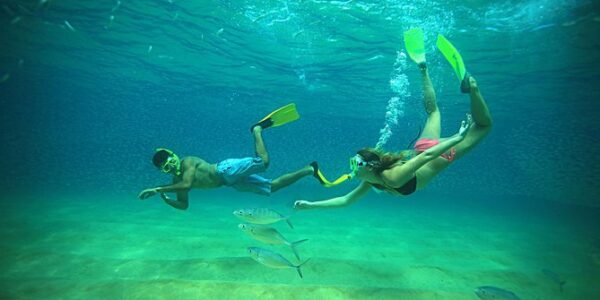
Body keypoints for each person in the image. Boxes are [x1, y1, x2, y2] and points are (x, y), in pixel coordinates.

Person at [294, 30, 492, 210]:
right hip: (424, 147)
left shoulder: (391, 177)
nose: (351, 169)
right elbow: (346, 200)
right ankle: (423, 68)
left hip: (439, 153)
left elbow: (427, 157)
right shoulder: (373, 179)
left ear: (370, 167)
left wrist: (456, 139)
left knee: (483, 126)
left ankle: (472, 88)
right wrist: (311, 205)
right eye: (353, 164)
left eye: (354, 164)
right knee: (433, 112)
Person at [138, 104, 316, 210]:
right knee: (271, 188)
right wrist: (166, 199)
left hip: (225, 169)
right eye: (167, 168)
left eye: (172, 162)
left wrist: (157, 189)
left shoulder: (188, 162)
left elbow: (187, 184)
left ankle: (257, 129)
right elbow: (184, 205)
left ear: (174, 155)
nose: (173, 167)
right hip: (229, 182)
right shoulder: (175, 180)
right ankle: (310, 169)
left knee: (263, 163)